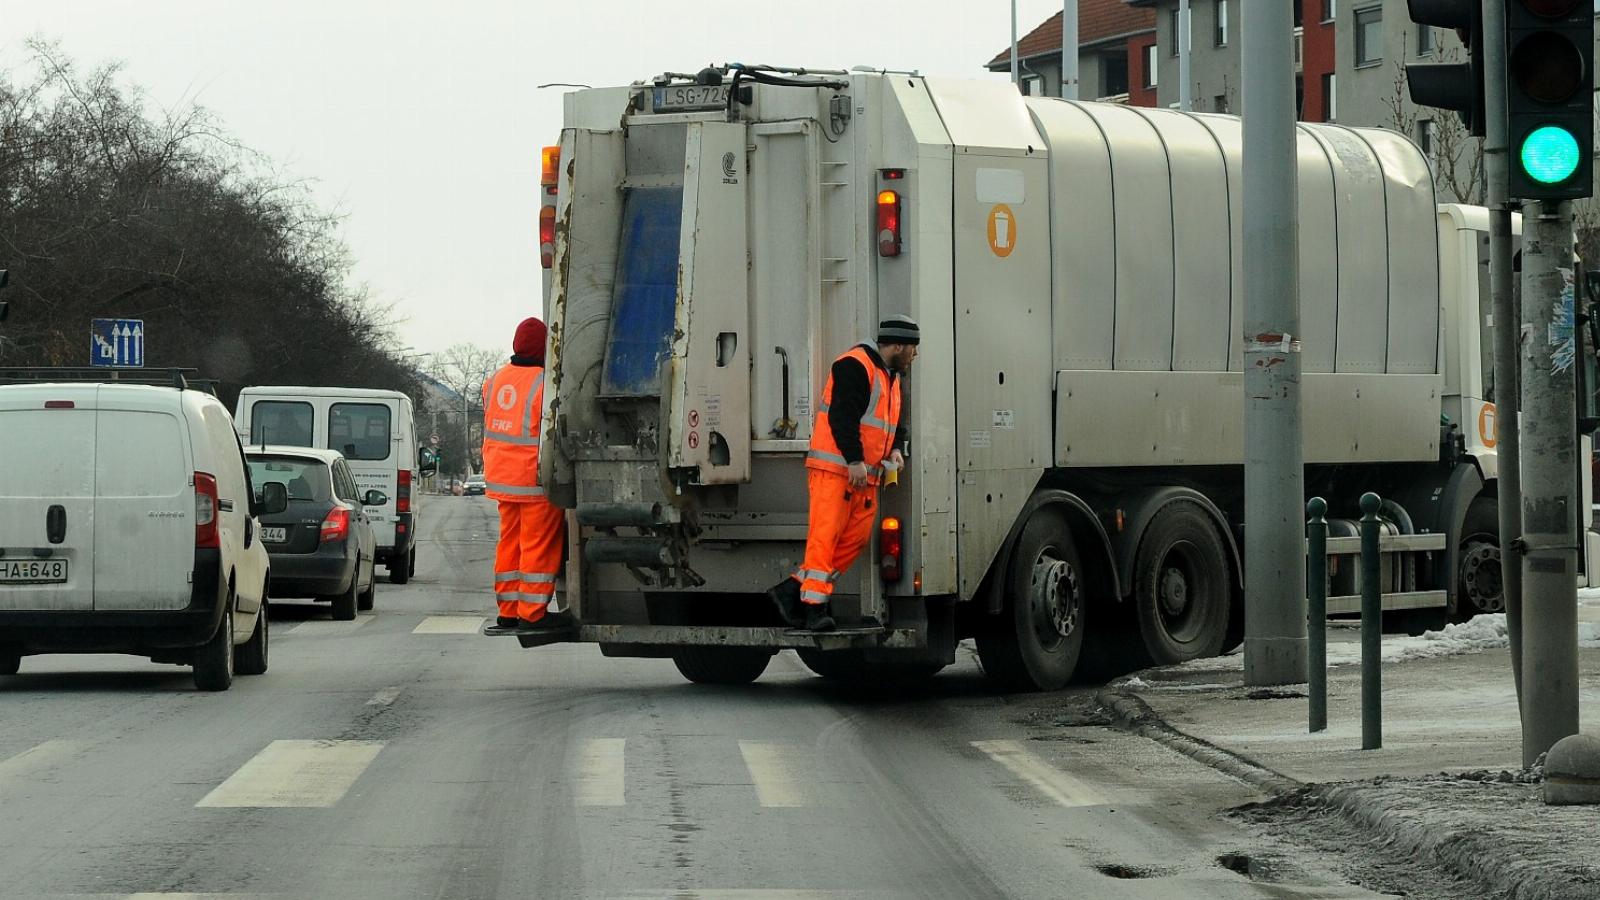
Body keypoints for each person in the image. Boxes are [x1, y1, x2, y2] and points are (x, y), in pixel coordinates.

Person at [768, 316, 919, 631]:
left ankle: (794, 589)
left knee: (855, 539)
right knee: (825, 539)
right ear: (899, 345)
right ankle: (814, 609)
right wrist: (853, 460)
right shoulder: (854, 365)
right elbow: (842, 417)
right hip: (836, 470)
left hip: (863, 477)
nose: (915, 355)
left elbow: (894, 423)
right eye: (913, 349)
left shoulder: (891, 376)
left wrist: (895, 450)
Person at [481, 317, 574, 635]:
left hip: (501, 479)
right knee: (538, 544)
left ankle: (507, 612)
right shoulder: (544, 384)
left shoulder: (493, 381)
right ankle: (532, 613)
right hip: (533, 480)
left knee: (510, 543)